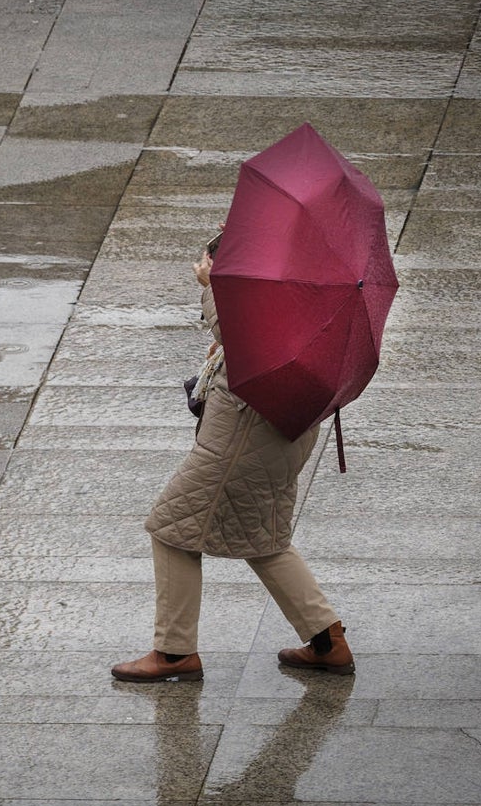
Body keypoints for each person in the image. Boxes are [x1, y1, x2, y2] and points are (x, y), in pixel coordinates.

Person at [111, 235, 354, 683]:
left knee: (171, 528)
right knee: (262, 536)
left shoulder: (276, 284)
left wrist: (212, 284)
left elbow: (251, 340)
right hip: (277, 431)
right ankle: (327, 641)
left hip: (246, 435)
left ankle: (173, 652)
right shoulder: (318, 284)